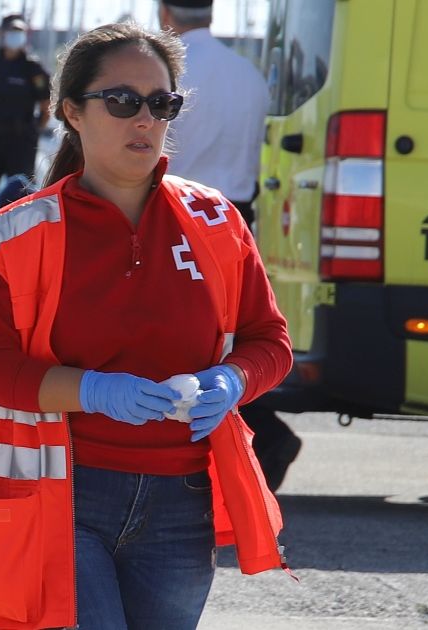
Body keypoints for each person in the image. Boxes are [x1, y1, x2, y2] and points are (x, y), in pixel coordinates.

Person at [0, 22, 293, 630]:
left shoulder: (216, 222)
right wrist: (93, 390)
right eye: (124, 101)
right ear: (72, 112)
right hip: (62, 496)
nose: (146, 120)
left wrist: (233, 382)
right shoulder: (13, 238)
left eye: (162, 103)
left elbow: (271, 343)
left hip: (181, 506)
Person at [160, 0, 302, 492]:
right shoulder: (249, 74)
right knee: (223, 337)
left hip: (174, 214)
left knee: (180, 341)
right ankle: (256, 441)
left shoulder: (168, 74)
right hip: (233, 216)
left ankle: (261, 437)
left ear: (164, 12)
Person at [0, 14, 50, 207]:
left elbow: (46, 105)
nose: (15, 36)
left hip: (21, 142)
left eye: (19, 32)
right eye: (11, 32)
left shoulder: (33, 69)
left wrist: (33, 131)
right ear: (2, 34)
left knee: (20, 199)